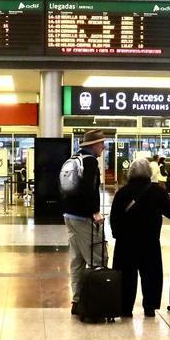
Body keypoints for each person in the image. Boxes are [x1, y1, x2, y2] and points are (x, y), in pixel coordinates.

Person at [110, 158, 170, 317]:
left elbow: (114, 217)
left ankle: (125, 308)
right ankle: (149, 307)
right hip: (149, 242)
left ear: (131, 173)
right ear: (149, 173)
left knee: (126, 275)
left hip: (125, 243)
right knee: (151, 275)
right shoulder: (157, 192)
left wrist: (117, 235)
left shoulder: (123, 192)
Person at [63, 129, 107, 315]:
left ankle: (77, 300)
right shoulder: (90, 162)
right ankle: (96, 302)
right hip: (84, 218)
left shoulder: (72, 159)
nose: (103, 147)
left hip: (69, 215)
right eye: (101, 144)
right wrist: (95, 212)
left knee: (77, 260)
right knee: (98, 259)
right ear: (93, 145)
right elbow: (90, 189)